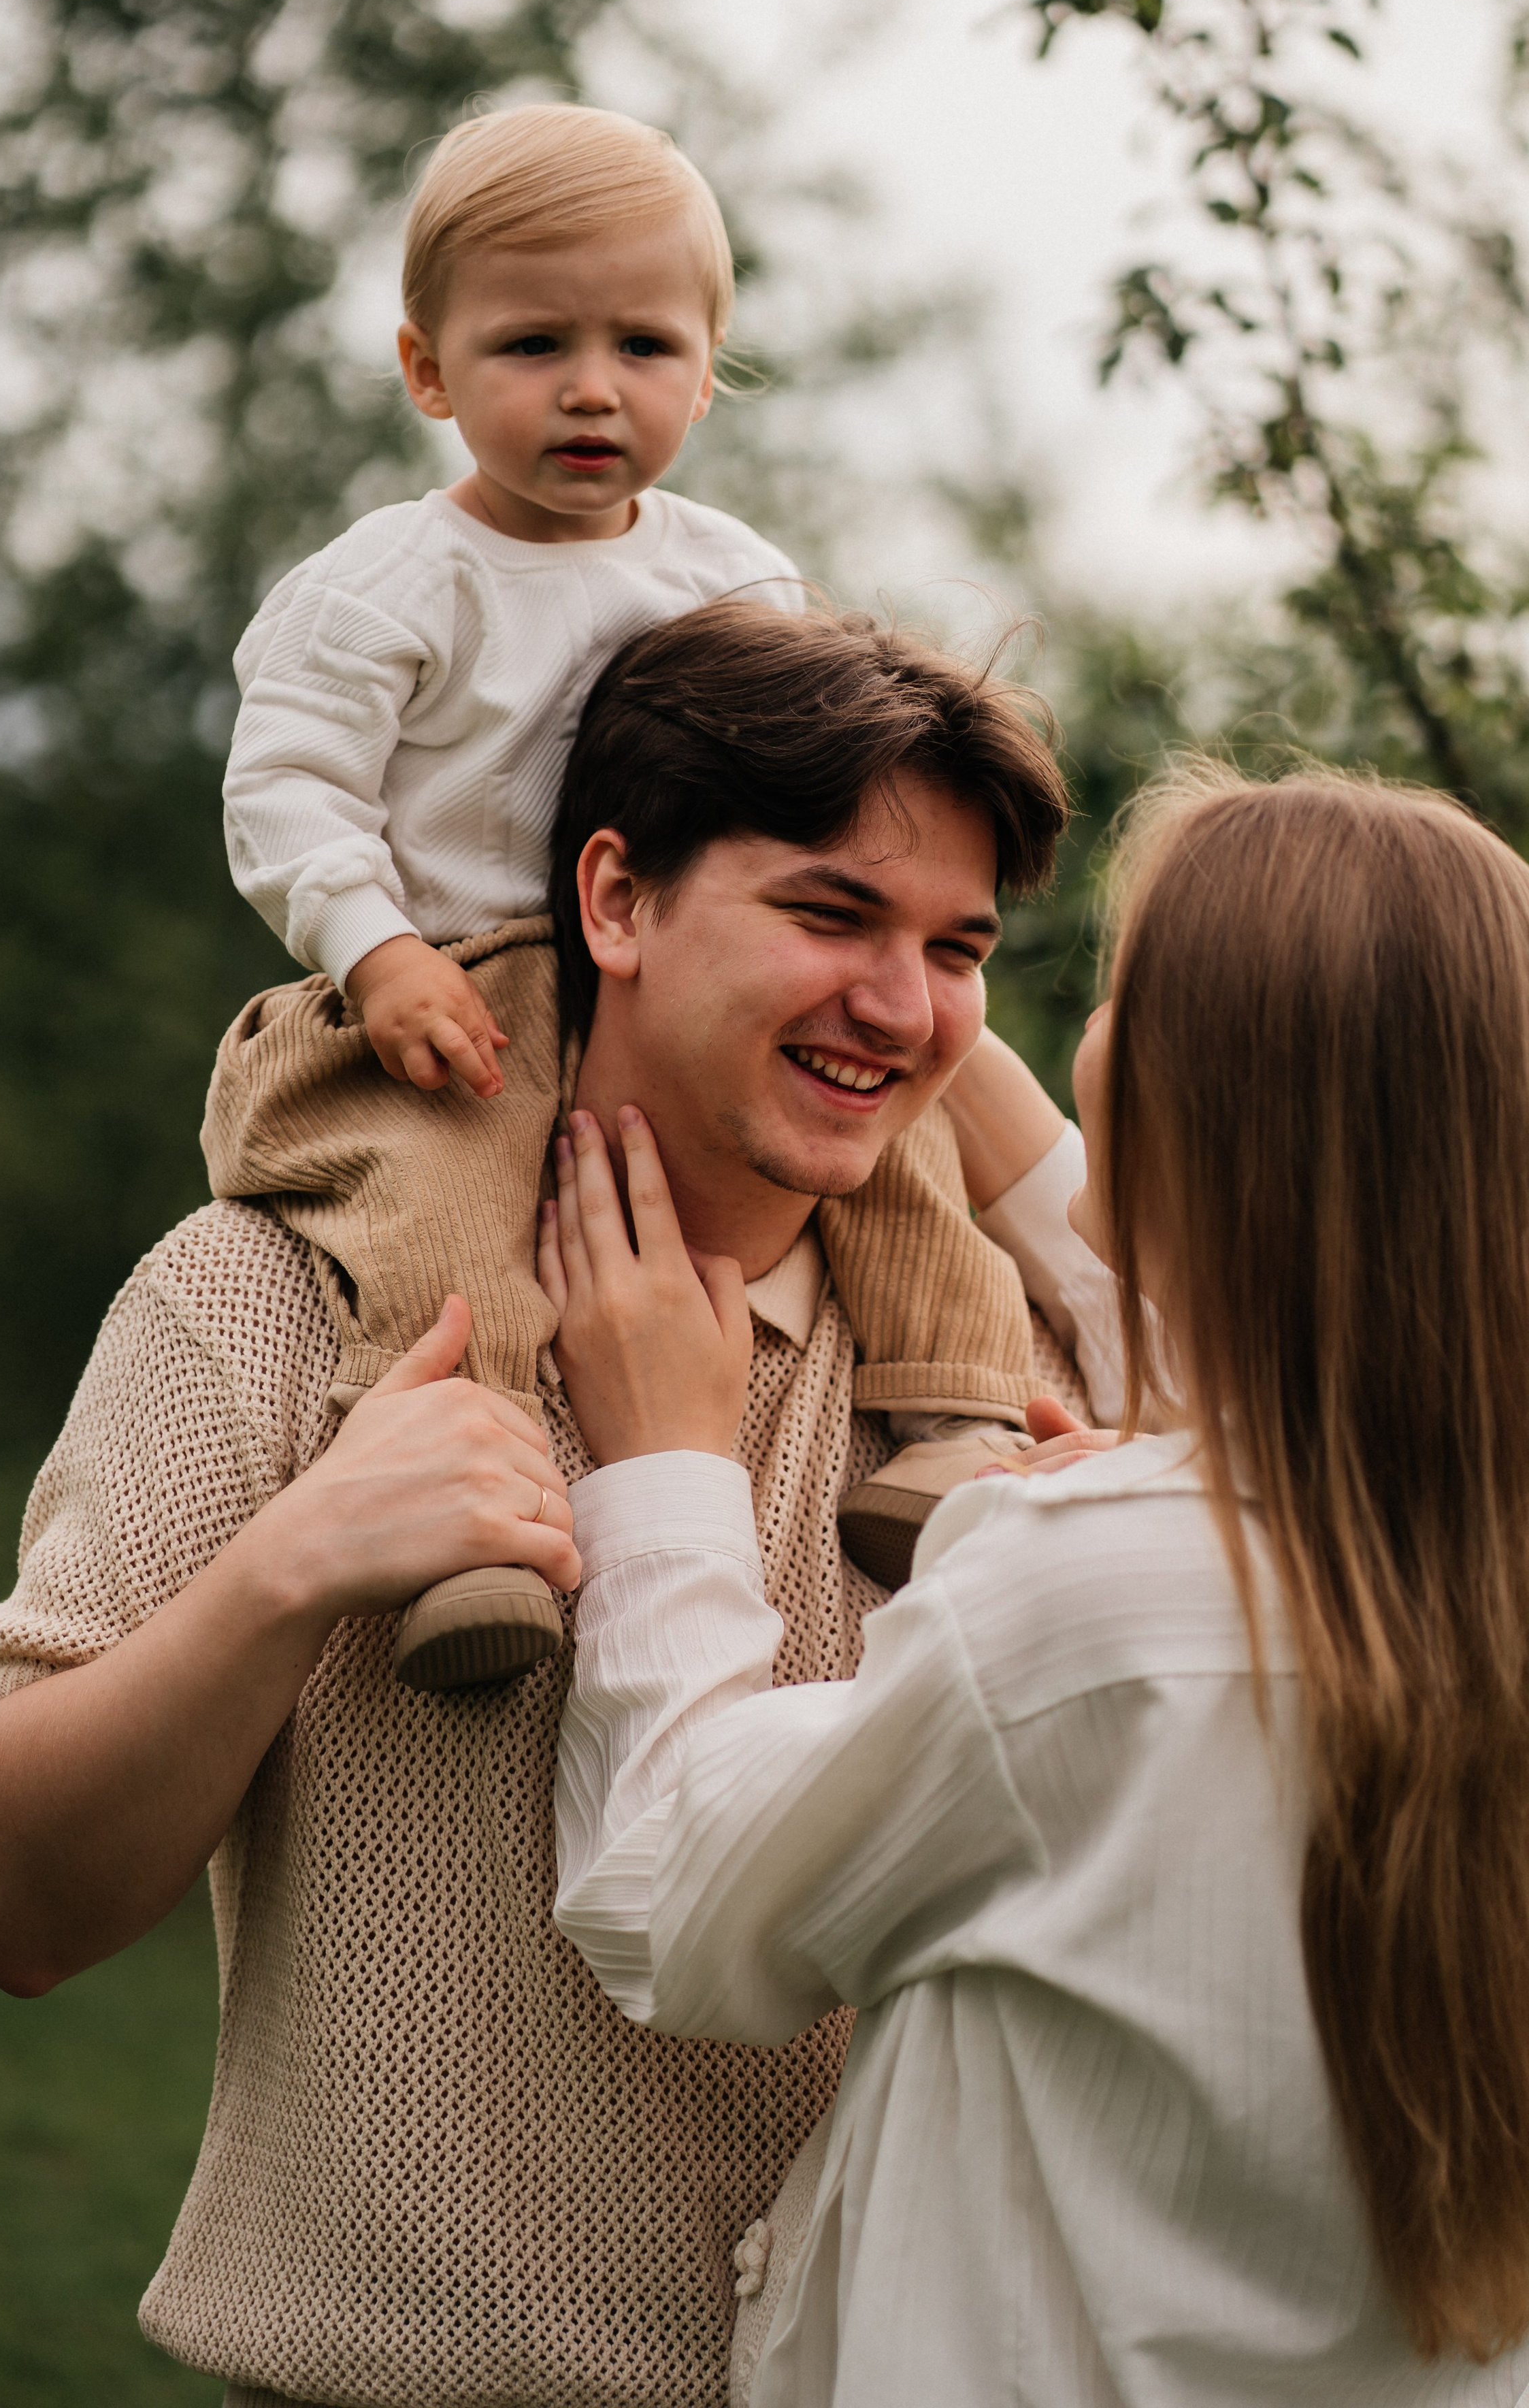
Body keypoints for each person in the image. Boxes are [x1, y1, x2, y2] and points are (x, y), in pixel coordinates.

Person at [0, 617, 1070, 2408]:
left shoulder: (1019, 1384)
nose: (905, 1009)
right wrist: (288, 1569)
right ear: (612, 899)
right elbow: (13, 1900)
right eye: (831, 917)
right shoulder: (257, 1302)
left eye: (959, 949)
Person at [548, 764, 1529, 2405]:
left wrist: (664, 1473)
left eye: (1116, 993)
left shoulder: (1085, 1599)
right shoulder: (1429, 1558)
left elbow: (673, 1895)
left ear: (1192, 1099)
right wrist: (921, 1024)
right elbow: (1331, 1376)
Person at [207, 101, 1066, 1691]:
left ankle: (951, 1418)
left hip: (674, 967)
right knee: (442, 1219)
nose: (593, 388)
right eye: (533, 344)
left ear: (707, 370)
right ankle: (467, 1524)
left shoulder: (726, 572)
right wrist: (372, 949)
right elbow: (288, 791)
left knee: (895, 1160)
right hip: (459, 976)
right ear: (428, 372)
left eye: (646, 347)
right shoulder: (390, 585)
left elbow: (824, 772)